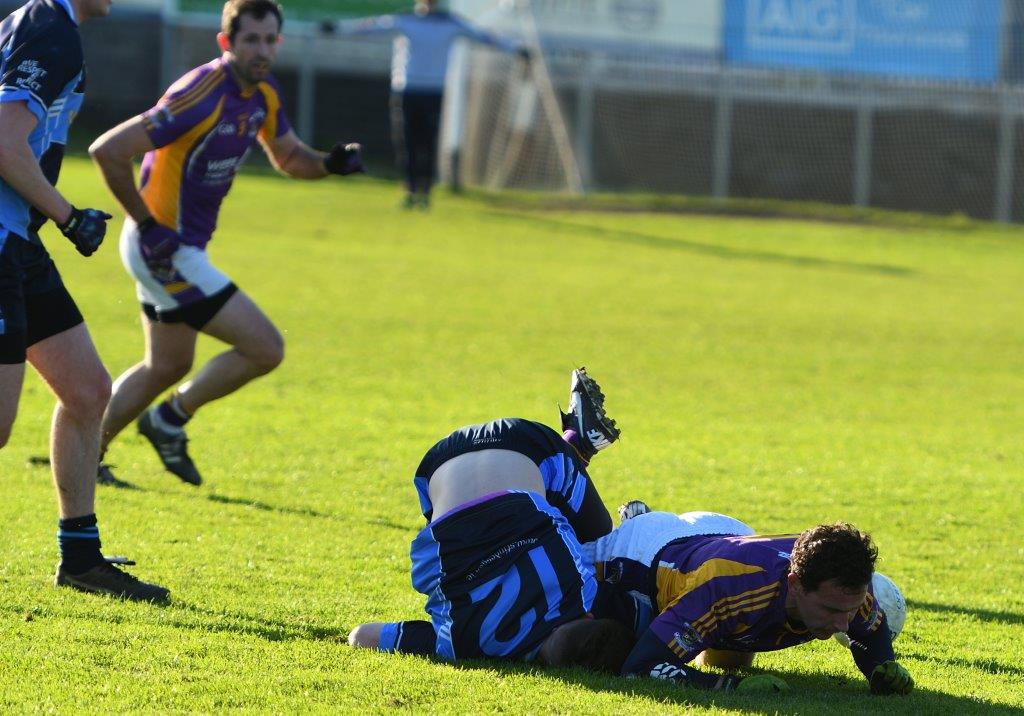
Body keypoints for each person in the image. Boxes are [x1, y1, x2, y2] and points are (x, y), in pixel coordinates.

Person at [89, 0, 365, 487]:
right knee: (266, 347)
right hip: (164, 247)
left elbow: (289, 156)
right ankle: (168, 420)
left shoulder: (262, 93)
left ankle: (85, 451)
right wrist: (149, 225)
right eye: (251, 40)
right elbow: (108, 150)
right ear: (226, 43)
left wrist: (330, 164)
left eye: (270, 40)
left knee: (167, 363)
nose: (262, 50)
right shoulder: (200, 93)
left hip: (173, 245)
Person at [0, 0, 168, 600]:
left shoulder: (38, 22)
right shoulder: (51, 30)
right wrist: (69, 216)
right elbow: (5, 143)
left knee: (89, 391)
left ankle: (80, 560)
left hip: (18, 240)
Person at [348, 368, 634, 668]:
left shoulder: (582, 591)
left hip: (529, 446)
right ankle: (574, 447)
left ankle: (577, 442)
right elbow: (361, 636)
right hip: (436, 469)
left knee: (600, 537)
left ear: (589, 615)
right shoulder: (462, 643)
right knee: (590, 538)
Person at [586, 510, 914, 695]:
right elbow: (640, 667)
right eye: (831, 611)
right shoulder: (727, 588)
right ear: (795, 584)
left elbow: (871, 631)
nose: (844, 625)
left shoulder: (846, 583)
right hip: (640, 555)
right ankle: (592, 469)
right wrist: (729, 686)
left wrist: (879, 671)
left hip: (726, 533)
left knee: (730, 652)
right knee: (599, 634)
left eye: (850, 611)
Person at [338, 0, 527, 209]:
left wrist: (515, 47)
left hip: (434, 92)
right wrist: (336, 29)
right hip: (407, 91)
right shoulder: (406, 20)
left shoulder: (450, 23)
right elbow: (370, 27)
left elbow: (483, 36)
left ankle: (425, 193)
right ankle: (410, 191)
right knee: (407, 144)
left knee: (427, 144)